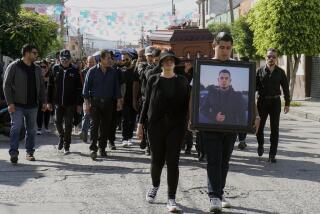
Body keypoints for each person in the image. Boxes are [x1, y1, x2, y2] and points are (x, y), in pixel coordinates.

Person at [193, 32, 260, 213]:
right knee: (214, 160)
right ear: (214, 46)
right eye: (221, 47)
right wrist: (196, 119)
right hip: (210, 129)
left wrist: (257, 116)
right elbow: (198, 105)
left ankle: (220, 193)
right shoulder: (203, 69)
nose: (224, 51)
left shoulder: (238, 83)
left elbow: (248, 101)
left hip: (231, 129)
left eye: (228, 48)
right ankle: (214, 195)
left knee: (225, 161)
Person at [136, 50, 190, 212]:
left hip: (176, 126)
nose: (168, 63)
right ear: (161, 63)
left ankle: (171, 198)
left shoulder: (182, 81)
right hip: (155, 126)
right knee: (157, 161)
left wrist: (191, 121)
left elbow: (190, 102)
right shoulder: (153, 79)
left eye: (171, 60)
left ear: (174, 63)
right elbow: (146, 104)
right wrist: (140, 124)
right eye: (165, 60)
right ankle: (154, 186)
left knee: (173, 162)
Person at [3, 44, 46, 164]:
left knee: (31, 130)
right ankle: (13, 153)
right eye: (34, 53)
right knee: (16, 128)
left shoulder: (37, 69)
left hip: (33, 106)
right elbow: (6, 85)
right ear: (27, 53)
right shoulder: (14, 66)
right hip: (17, 105)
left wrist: (44, 101)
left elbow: (42, 86)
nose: (36, 55)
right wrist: (10, 103)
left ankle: (29, 153)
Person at [83, 50, 122, 160]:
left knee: (105, 127)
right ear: (101, 59)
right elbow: (86, 89)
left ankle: (102, 148)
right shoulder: (92, 71)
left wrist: (119, 101)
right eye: (108, 58)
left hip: (109, 103)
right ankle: (93, 149)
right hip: (95, 103)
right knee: (94, 126)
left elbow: (116, 88)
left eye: (111, 58)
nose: (110, 60)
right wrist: (86, 104)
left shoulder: (113, 72)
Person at [256, 48, 290, 163]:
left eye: (273, 57)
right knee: (259, 127)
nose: (271, 59)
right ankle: (260, 144)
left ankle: (272, 154)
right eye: (269, 56)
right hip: (262, 102)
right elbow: (253, 88)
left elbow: (285, 88)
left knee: (274, 129)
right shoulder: (259, 71)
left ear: (277, 59)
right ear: (265, 57)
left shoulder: (280, 72)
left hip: (275, 102)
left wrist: (287, 103)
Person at [47, 49, 82, 154]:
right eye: (62, 59)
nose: (64, 61)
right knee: (57, 121)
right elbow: (50, 86)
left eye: (67, 59)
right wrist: (49, 101)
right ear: (59, 59)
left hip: (70, 103)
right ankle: (62, 137)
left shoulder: (75, 70)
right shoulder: (54, 69)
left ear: (70, 59)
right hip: (58, 102)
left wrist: (79, 104)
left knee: (68, 125)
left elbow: (79, 88)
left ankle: (67, 145)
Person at [120, 52, 139, 147]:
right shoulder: (121, 71)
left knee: (132, 119)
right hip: (124, 100)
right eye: (123, 60)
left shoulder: (135, 71)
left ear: (131, 59)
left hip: (134, 99)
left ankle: (130, 137)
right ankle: (124, 138)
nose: (125, 61)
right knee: (125, 119)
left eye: (127, 59)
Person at [80, 56, 96, 143]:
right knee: (86, 115)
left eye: (92, 62)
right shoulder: (82, 72)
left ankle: (94, 134)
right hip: (86, 97)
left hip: (96, 97)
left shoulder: (98, 71)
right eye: (89, 62)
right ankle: (84, 133)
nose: (91, 64)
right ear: (86, 63)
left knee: (94, 117)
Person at [36, 60, 51, 135]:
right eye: (41, 66)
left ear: (47, 67)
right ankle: (39, 127)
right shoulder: (38, 74)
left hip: (48, 96)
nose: (42, 68)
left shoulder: (50, 75)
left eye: (44, 66)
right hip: (40, 97)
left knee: (47, 111)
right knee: (40, 111)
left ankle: (46, 127)